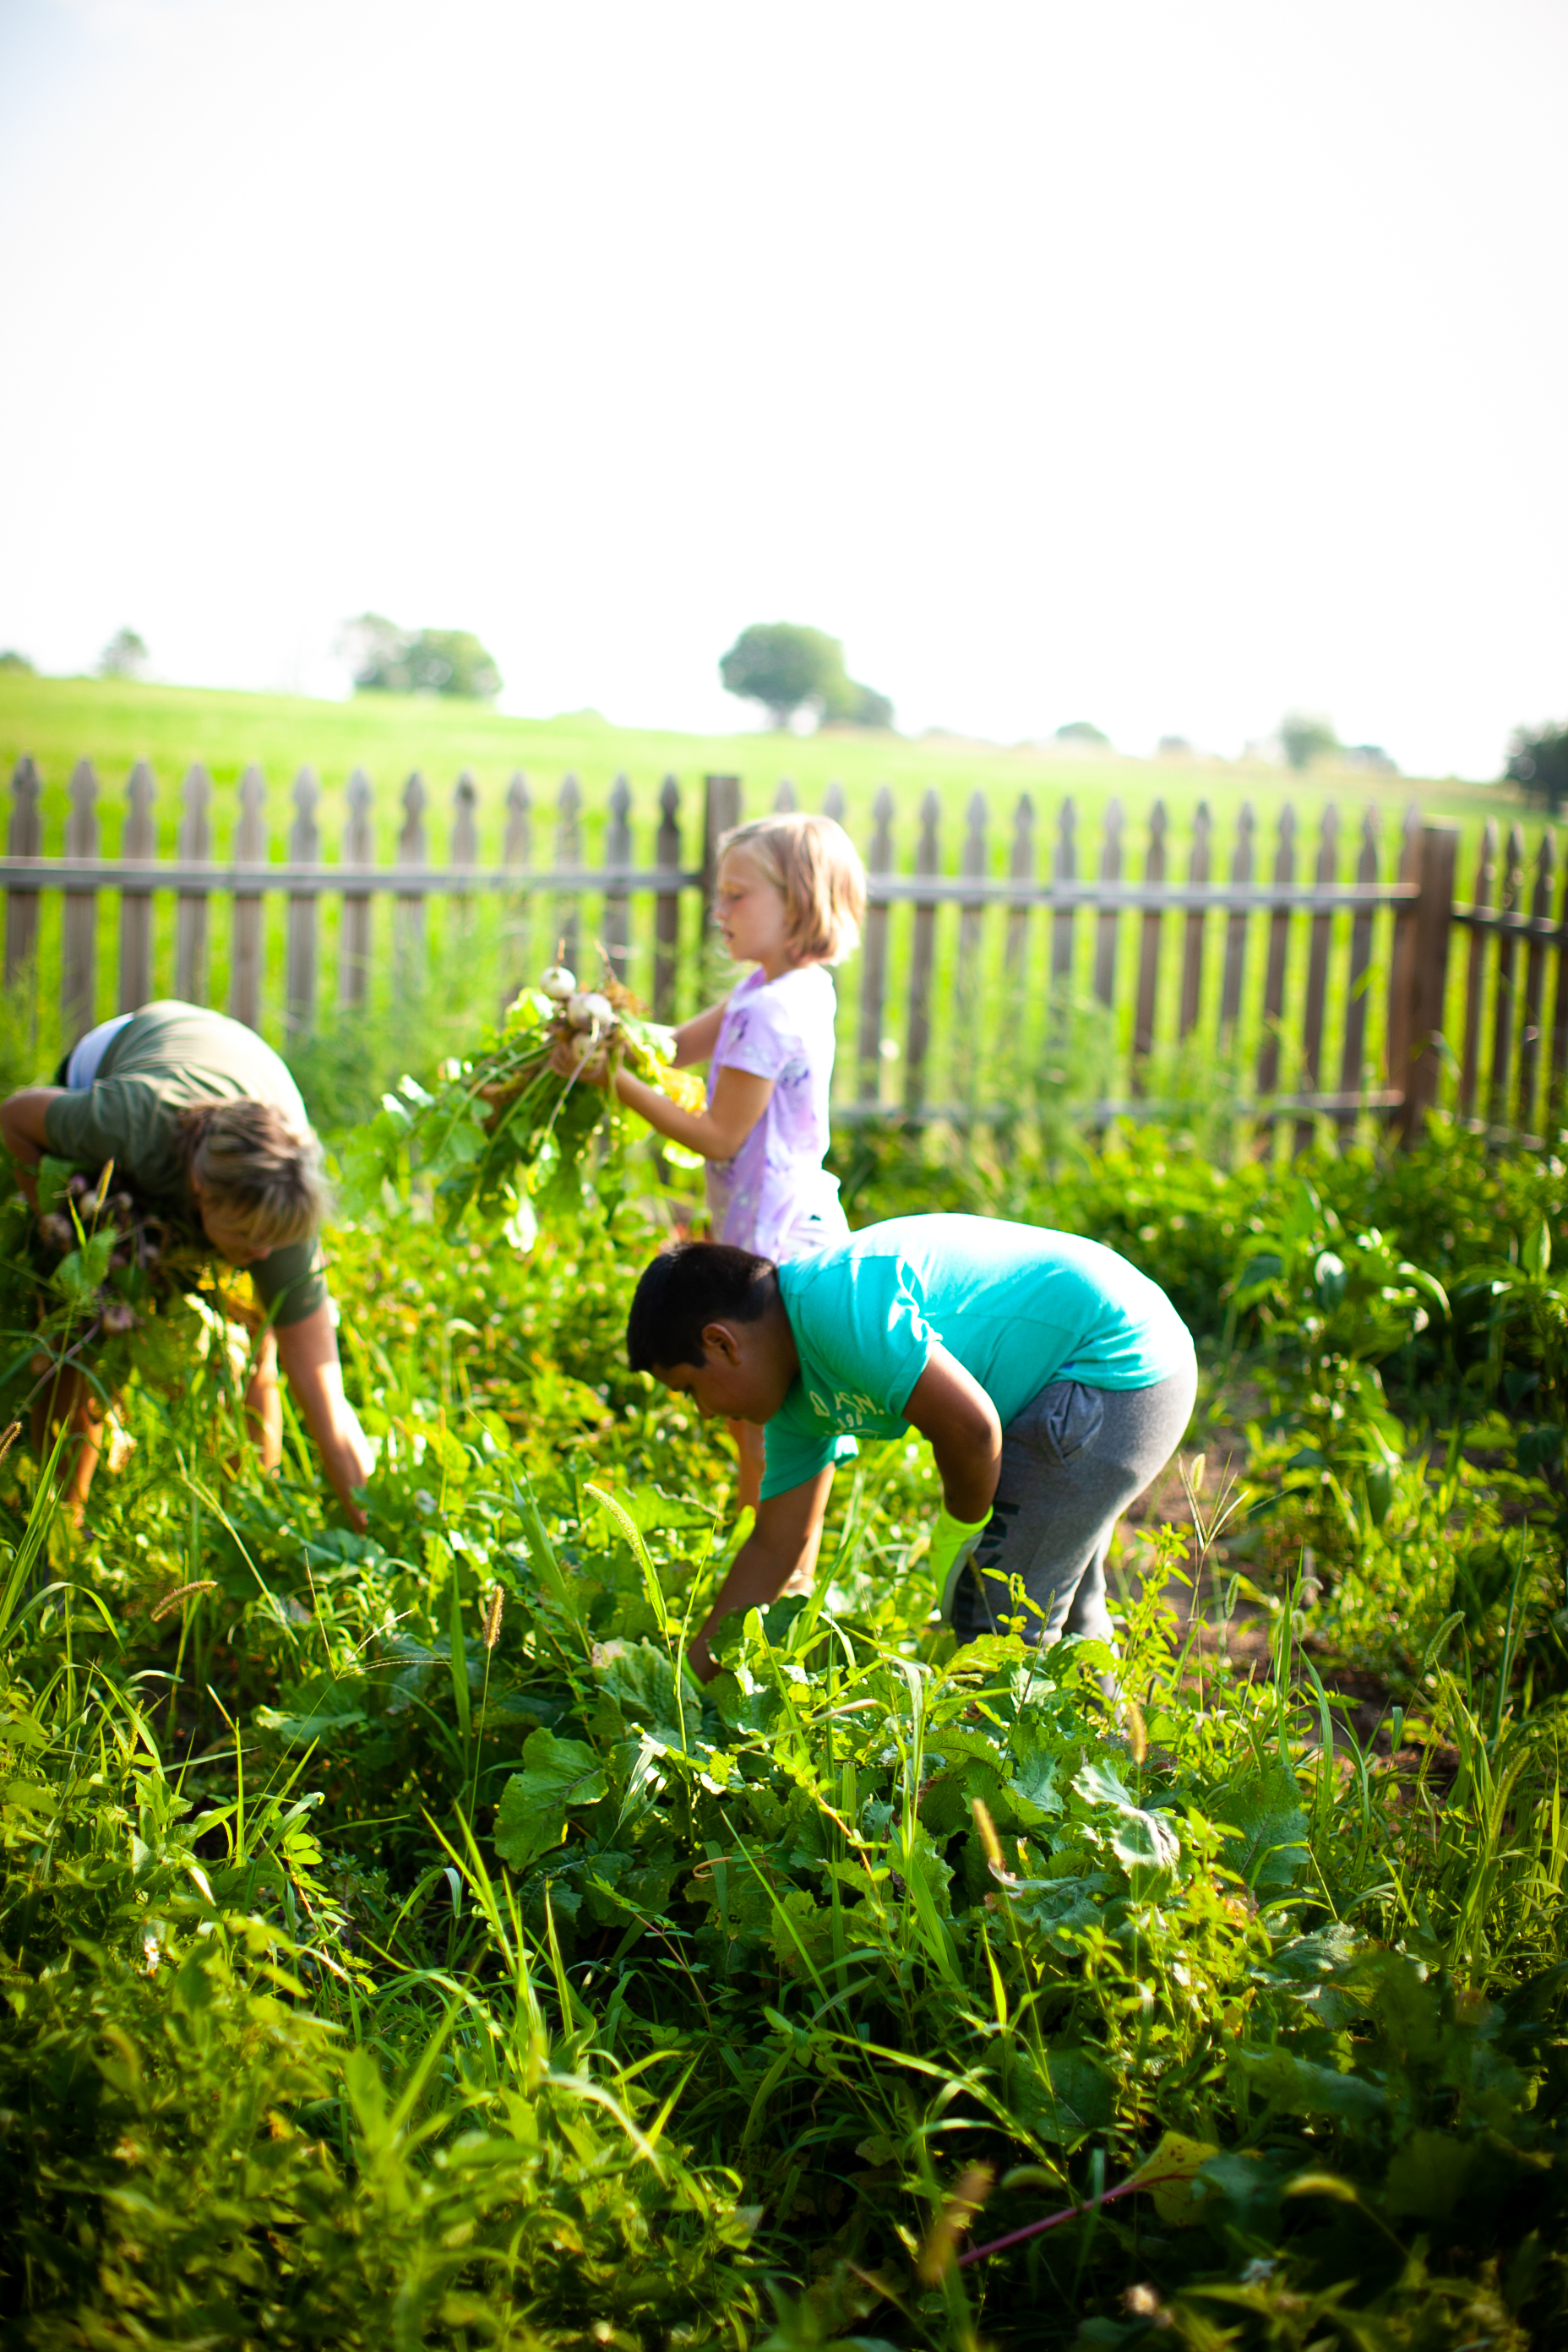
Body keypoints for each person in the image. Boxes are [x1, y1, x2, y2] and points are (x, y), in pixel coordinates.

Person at [625, 1215, 1197, 1683]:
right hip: (1102, 1375)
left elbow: (971, 1430)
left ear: (720, 1343)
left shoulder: (834, 1302)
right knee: (1058, 1606)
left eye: (690, 1390)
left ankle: (1027, 1811)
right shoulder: (792, 1401)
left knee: (997, 1621)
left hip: (1114, 1369)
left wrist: (961, 1529)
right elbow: (776, 1546)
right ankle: (1109, 1768)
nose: (703, 1412)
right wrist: (681, 1688)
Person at [555, 812, 865, 1508]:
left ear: (798, 902)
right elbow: (673, 1046)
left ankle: (775, 1557)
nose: (717, 909)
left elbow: (719, 1135)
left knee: (771, 1423)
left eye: (736, 895)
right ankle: (768, 1548)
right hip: (775, 1220)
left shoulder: (773, 1011)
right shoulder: (776, 988)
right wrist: (609, 1030)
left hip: (776, 1241)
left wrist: (613, 1083)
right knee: (763, 1416)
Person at [0, 999, 373, 1524]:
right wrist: (67, 1231)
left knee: (256, 1345)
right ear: (199, 1192)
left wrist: (376, 1532)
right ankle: (60, 1523)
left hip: (249, 1088)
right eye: (248, 1237)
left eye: (272, 1241)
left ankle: (251, 1515)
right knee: (77, 1329)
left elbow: (321, 1388)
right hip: (127, 1067)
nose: (262, 1254)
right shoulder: (127, 1122)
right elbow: (15, 1118)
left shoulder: (282, 1210)